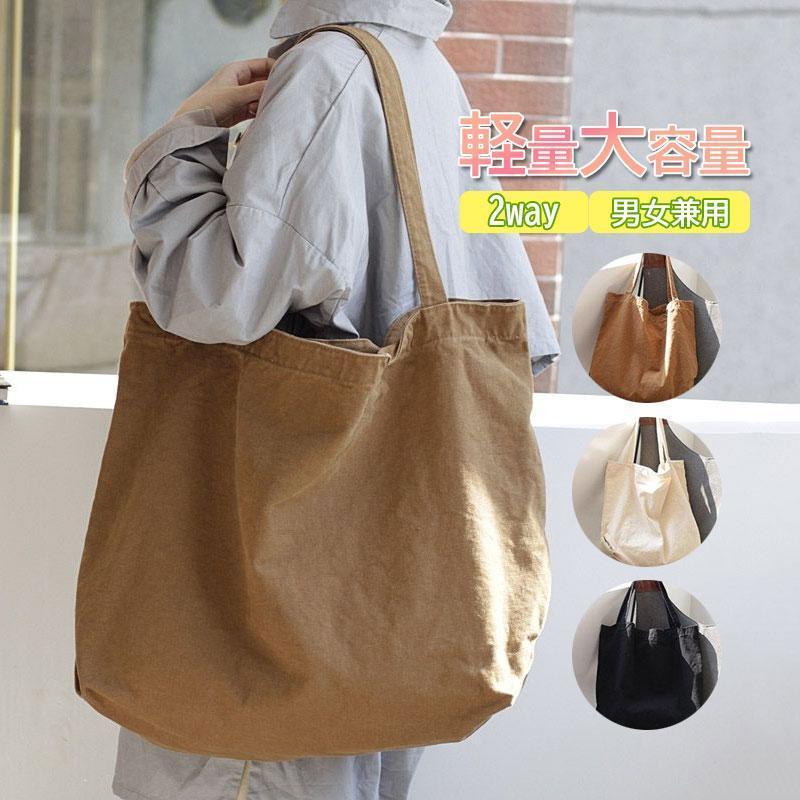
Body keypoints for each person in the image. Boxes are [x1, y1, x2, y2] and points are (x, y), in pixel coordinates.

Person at [112, 2, 559, 799]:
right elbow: (510, 319)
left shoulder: (328, 70)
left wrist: (183, 136)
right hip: (376, 608)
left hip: (276, 617)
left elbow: (216, 295)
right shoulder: (425, 68)